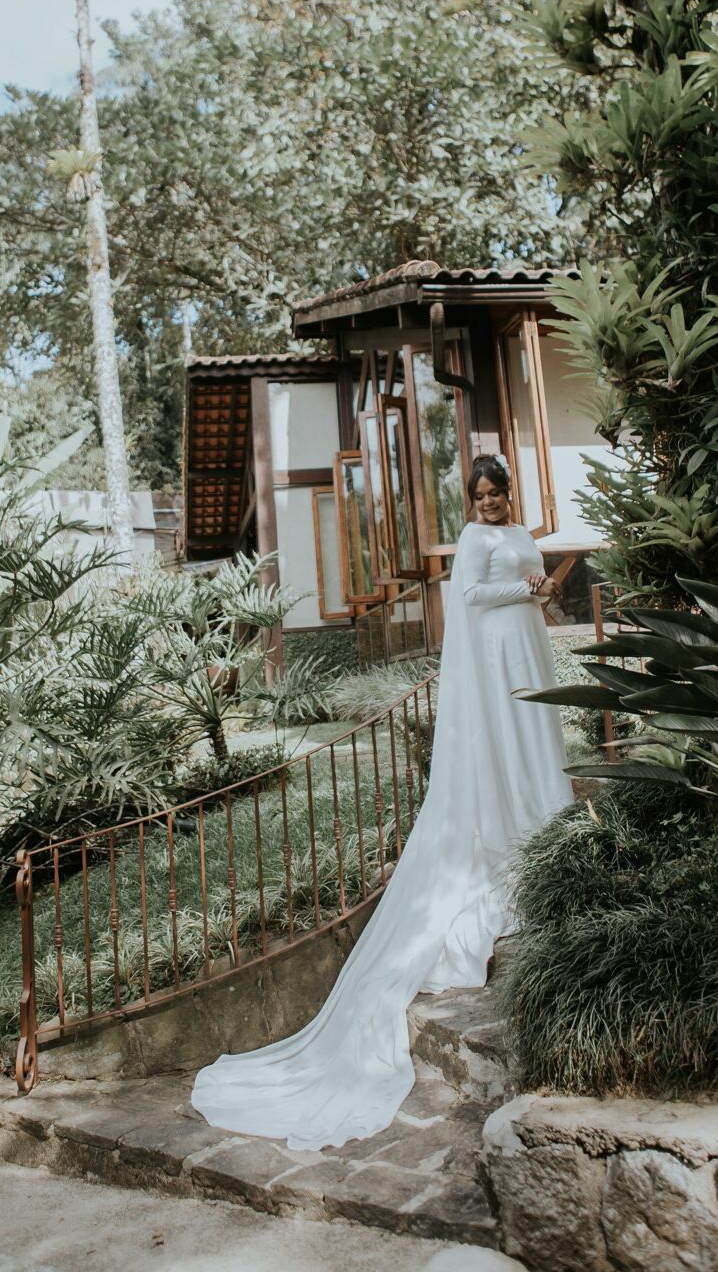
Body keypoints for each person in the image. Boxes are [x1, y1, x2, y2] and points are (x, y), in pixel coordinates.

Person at [190, 454, 573, 1151]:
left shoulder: (516, 531)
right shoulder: (473, 542)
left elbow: (528, 587)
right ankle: (514, 828)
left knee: (536, 730)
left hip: (527, 645)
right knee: (510, 737)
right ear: (471, 499)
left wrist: (540, 588)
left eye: (495, 495)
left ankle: (543, 821)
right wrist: (524, 591)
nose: (488, 504)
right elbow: (470, 600)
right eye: (479, 496)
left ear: (508, 494)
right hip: (493, 650)